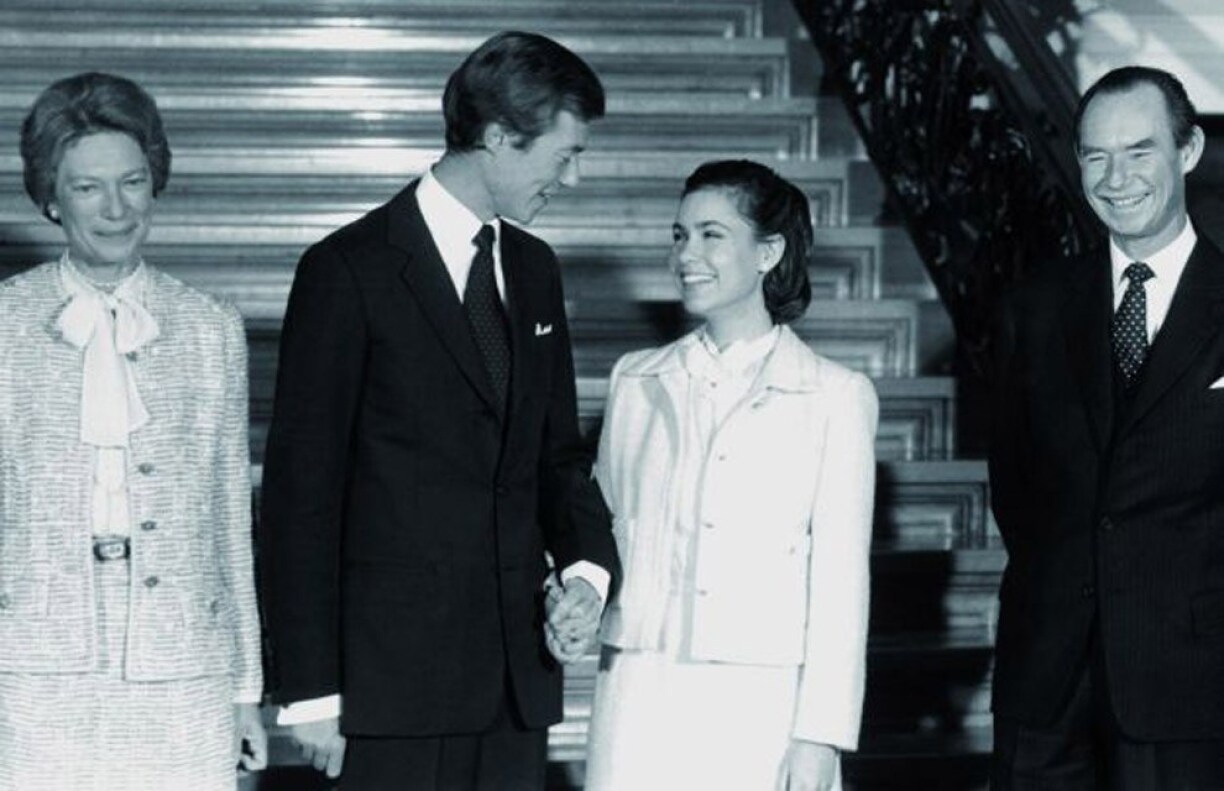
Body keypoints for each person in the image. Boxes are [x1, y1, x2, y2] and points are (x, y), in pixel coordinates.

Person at [258, 31, 621, 790]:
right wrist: (311, 689)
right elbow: (302, 499)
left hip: (515, 690)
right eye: (565, 154)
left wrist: (588, 573)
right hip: (387, 693)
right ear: (497, 138)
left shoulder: (535, 269)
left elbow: (558, 459)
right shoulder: (345, 270)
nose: (574, 178)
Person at [0, 72, 266, 791]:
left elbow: (228, 521)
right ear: (51, 197)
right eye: (88, 188)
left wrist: (246, 689)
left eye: (133, 182)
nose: (116, 210)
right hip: (32, 663)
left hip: (183, 664)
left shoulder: (211, 327)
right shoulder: (4, 325)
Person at [583, 160, 878, 791]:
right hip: (637, 690)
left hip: (757, 703)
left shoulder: (835, 395)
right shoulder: (635, 379)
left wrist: (820, 736)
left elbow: (840, 584)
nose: (688, 254)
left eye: (712, 234)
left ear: (769, 251)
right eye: (679, 235)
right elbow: (601, 531)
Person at [989, 65, 1224, 788]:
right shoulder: (1033, 306)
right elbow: (1015, 488)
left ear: (1188, 152)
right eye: (1095, 156)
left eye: (1139, 151)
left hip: (1191, 685)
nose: (1114, 178)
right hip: (1045, 682)